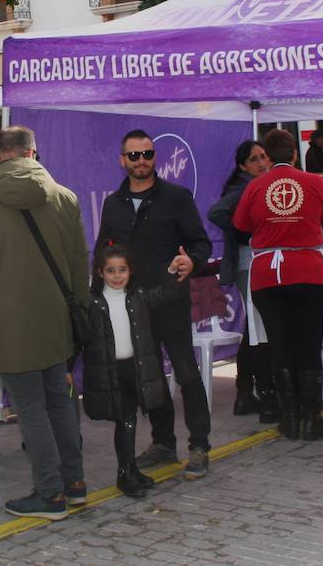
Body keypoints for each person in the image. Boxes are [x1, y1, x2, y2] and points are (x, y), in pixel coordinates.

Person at [0, 125, 88, 521]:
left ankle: (50, 493)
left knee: (31, 408)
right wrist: (80, 315)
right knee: (59, 401)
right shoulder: (65, 198)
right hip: (57, 318)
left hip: (8, 323)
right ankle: (74, 483)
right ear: (33, 153)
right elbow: (80, 266)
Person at [95, 129, 213, 478]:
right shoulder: (113, 204)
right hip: (131, 308)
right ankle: (163, 443)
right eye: (134, 155)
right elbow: (104, 252)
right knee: (150, 378)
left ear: (154, 158)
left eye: (147, 154)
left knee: (186, 373)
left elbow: (201, 244)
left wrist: (192, 261)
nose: (142, 161)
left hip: (170, 301)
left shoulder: (176, 198)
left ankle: (200, 445)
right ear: (123, 160)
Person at [233, 128, 323, 441]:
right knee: (308, 343)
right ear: (294, 154)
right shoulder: (314, 182)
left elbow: (240, 225)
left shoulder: (255, 186)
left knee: (278, 344)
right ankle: (311, 418)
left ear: (268, 155)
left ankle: (289, 419)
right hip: (308, 271)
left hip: (268, 275)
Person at [83, 244, 188, 498]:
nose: (117, 276)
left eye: (122, 270)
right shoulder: (92, 302)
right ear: (99, 272)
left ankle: (129, 470)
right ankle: (125, 474)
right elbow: (79, 338)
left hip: (134, 367)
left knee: (128, 419)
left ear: (130, 271)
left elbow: (163, 293)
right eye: (111, 271)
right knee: (125, 420)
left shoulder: (137, 296)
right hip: (111, 371)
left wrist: (173, 272)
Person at [207, 139, 277, 421]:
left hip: (257, 265)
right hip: (248, 266)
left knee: (254, 329)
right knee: (259, 330)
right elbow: (216, 212)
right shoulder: (244, 187)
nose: (262, 162)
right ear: (242, 166)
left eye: (264, 156)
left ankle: (245, 393)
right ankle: (254, 392)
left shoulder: (260, 184)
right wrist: (244, 233)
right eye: (254, 159)